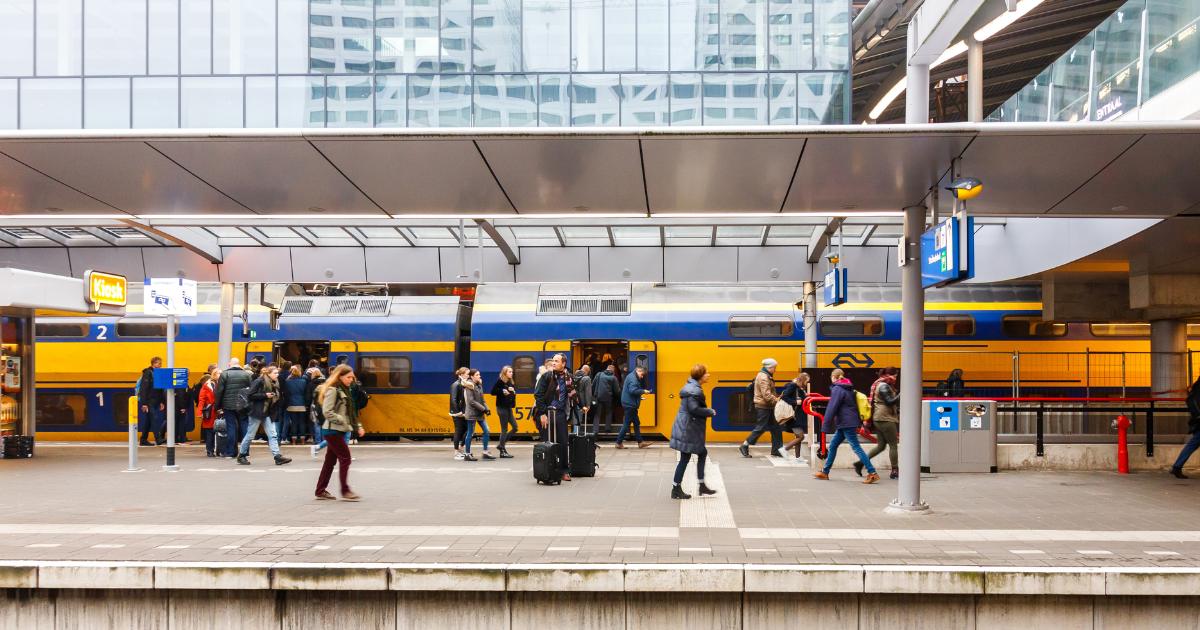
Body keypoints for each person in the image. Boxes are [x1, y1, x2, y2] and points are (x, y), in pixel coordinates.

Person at [814, 369, 878, 483]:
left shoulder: (838, 388)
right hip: (846, 421)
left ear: (834, 377)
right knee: (833, 445)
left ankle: (872, 472)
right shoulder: (847, 387)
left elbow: (832, 407)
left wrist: (825, 425)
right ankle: (825, 472)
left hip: (846, 422)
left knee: (856, 447)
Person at [669, 364, 717, 500]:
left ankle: (700, 485)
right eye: (706, 373)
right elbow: (694, 408)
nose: (708, 375)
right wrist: (709, 411)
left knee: (700, 453)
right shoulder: (694, 390)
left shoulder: (692, 388)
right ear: (700, 375)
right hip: (687, 428)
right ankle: (676, 488)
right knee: (686, 457)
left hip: (688, 427)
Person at [315, 364, 363, 501]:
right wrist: (341, 420)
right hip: (332, 430)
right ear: (340, 377)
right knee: (345, 458)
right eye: (348, 377)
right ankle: (345, 491)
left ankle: (320, 490)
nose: (351, 380)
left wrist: (358, 425)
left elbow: (350, 412)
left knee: (330, 462)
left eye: (352, 377)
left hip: (338, 430)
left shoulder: (345, 390)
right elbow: (327, 411)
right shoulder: (333, 390)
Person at [534, 353, 576, 482]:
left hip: (561, 413)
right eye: (553, 361)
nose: (554, 363)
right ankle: (546, 469)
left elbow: (574, 395)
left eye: (557, 361)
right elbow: (538, 395)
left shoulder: (569, 378)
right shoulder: (547, 376)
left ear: (564, 364)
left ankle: (564, 471)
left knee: (563, 442)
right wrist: (542, 414)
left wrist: (583, 406)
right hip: (547, 413)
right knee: (546, 441)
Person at [238, 365, 292, 466]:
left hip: (268, 413)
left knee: (272, 435)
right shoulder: (259, 381)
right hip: (257, 412)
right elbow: (250, 394)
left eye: (277, 373)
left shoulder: (275, 383)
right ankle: (241, 455)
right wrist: (265, 395)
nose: (277, 375)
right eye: (275, 373)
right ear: (268, 374)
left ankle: (277, 456)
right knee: (250, 435)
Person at [861, 366, 900, 480]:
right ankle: (895, 470)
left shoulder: (882, 384)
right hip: (885, 418)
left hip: (880, 417)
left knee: (881, 446)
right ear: (888, 375)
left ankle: (860, 463)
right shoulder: (883, 386)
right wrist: (902, 395)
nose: (895, 379)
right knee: (893, 445)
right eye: (894, 376)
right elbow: (889, 401)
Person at [740, 358, 783, 458]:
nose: (775, 369)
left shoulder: (766, 375)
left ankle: (776, 451)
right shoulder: (764, 377)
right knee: (761, 428)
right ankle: (744, 445)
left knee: (776, 428)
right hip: (763, 406)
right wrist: (776, 400)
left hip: (768, 406)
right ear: (769, 367)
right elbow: (766, 394)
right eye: (774, 367)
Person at [213, 358, 253, 459]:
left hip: (228, 405)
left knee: (231, 427)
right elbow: (251, 390)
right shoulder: (247, 375)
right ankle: (245, 451)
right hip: (243, 405)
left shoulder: (225, 374)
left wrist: (217, 406)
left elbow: (220, 391)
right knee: (244, 427)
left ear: (230, 364)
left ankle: (229, 452)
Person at [1170, 376, 1200, 479]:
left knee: (1193, 443)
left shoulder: (1197, 385)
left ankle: (1177, 466)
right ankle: (1177, 466)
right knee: (1193, 443)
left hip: (1197, 420)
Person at [616, 365, 652, 449]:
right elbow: (633, 390)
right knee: (626, 424)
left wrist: (639, 396)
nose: (642, 377)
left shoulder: (631, 376)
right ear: (638, 371)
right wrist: (643, 391)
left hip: (630, 403)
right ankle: (618, 442)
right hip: (630, 404)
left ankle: (640, 442)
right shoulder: (633, 378)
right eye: (642, 374)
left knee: (636, 423)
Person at [462, 369, 495, 461]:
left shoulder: (479, 385)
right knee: (470, 433)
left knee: (486, 430)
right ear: (471, 377)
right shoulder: (469, 386)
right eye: (477, 375)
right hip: (472, 413)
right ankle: (467, 454)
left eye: (479, 374)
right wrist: (483, 409)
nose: (479, 376)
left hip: (479, 413)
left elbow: (482, 400)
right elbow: (471, 401)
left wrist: (487, 409)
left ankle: (485, 452)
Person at [779, 372, 810, 464]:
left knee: (798, 437)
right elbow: (784, 397)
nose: (807, 383)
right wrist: (795, 402)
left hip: (798, 417)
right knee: (801, 436)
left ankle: (798, 457)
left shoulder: (801, 389)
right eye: (806, 381)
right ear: (803, 380)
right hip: (793, 417)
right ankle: (785, 449)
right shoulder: (793, 386)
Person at [137, 357, 166, 446]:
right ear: (154, 364)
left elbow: (160, 388)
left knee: (149, 420)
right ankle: (157, 438)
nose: (161, 365)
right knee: (154, 417)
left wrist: (161, 401)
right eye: (159, 363)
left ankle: (143, 439)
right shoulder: (148, 373)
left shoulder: (158, 373)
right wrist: (144, 403)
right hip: (149, 400)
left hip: (155, 400)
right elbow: (144, 388)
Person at [491, 366, 518, 458]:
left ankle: (501, 445)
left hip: (508, 407)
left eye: (512, 372)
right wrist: (502, 391)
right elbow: (493, 391)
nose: (511, 373)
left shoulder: (511, 382)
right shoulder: (500, 381)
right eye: (509, 372)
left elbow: (511, 396)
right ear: (505, 372)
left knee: (515, 427)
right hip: (501, 407)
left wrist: (513, 392)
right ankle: (502, 450)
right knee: (504, 429)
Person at [283, 365, 310, 445]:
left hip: (291, 403)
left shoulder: (287, 382)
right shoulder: (304, 382)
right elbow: (306, 393)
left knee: (294, 422)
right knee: (302, 422)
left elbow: (286, 392)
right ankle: (302, 439)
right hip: (302, 403)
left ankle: (294, 439)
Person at [197, 368, 220, 457]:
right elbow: (202, 399)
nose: (220, 375)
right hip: (210, 411)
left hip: (220, 410)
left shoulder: (224, 384)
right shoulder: (207, 386)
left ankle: (220, 449)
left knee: (221, 430)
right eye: (219, 373)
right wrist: (200, 412)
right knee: (210, 431)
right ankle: (210, 450)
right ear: (214, 374)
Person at [591, 365, 619, 433]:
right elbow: (617, 390)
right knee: (609, 412)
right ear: (613, 371)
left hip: (598, 396)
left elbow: (593, 385)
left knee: (597, 413)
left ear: (607, 368)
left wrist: (592, 395)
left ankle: (595, 430)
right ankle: (607, 429)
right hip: (609, 397)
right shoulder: (614, 378)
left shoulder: (599, 374)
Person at [449, 367, 469, 460]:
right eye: (467, 374)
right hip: (458, 413)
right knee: (458, 431)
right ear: (462, 375)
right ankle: (456, 452)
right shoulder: (456, 385)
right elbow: (453, 400)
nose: (469, 375)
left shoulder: (464, 384)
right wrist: (457, 412)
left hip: (464, 412)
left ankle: (461, 448)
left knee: (468, 430)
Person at [574, 365, 592, 435]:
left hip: (574, 401)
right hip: (581, 402)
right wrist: (588, 404)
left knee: (575, 419)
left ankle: (573, 435)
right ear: (588, 371)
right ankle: (575, 435)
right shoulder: (587, 379)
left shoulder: (574, 376)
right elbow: (588, 392)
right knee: (578, 419)